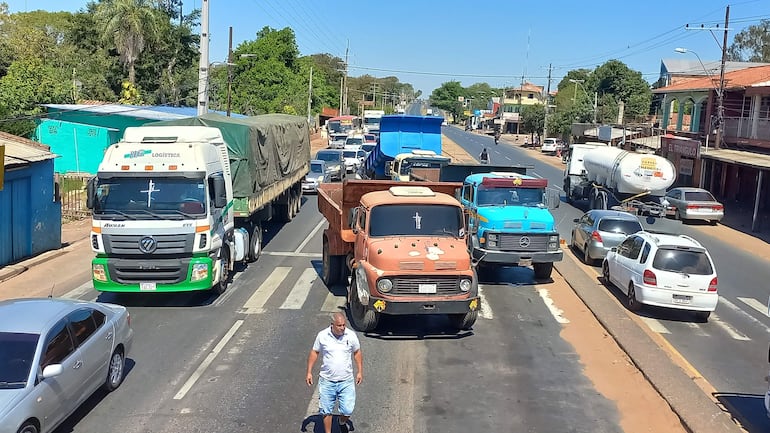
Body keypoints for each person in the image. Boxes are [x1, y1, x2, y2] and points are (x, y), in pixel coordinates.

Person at [306, 312, 363, 433]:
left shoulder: (350, 335)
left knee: (348, 410)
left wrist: (359, 371)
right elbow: (314, 352)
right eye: (339, 325)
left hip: (346, 380)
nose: (342, 328)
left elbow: (357, 352)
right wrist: (309, 372)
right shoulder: (322, 336)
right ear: (332, 325)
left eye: (344, 325)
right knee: (326, 411)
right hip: (327, 380)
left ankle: (341, 421)